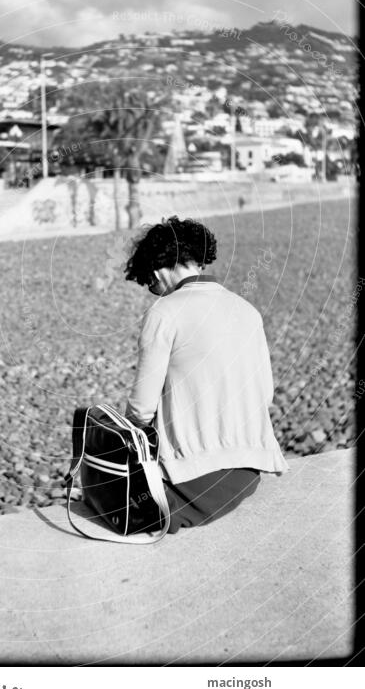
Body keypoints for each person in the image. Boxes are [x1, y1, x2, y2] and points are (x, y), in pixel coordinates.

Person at [123, 215, 289, 534]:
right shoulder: (246, 309)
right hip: (247, 476)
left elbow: (141, 411)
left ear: (157, 271)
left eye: (150, 285)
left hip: (190, 481)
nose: (154, 292)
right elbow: (265, 394)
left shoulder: (164, 312)